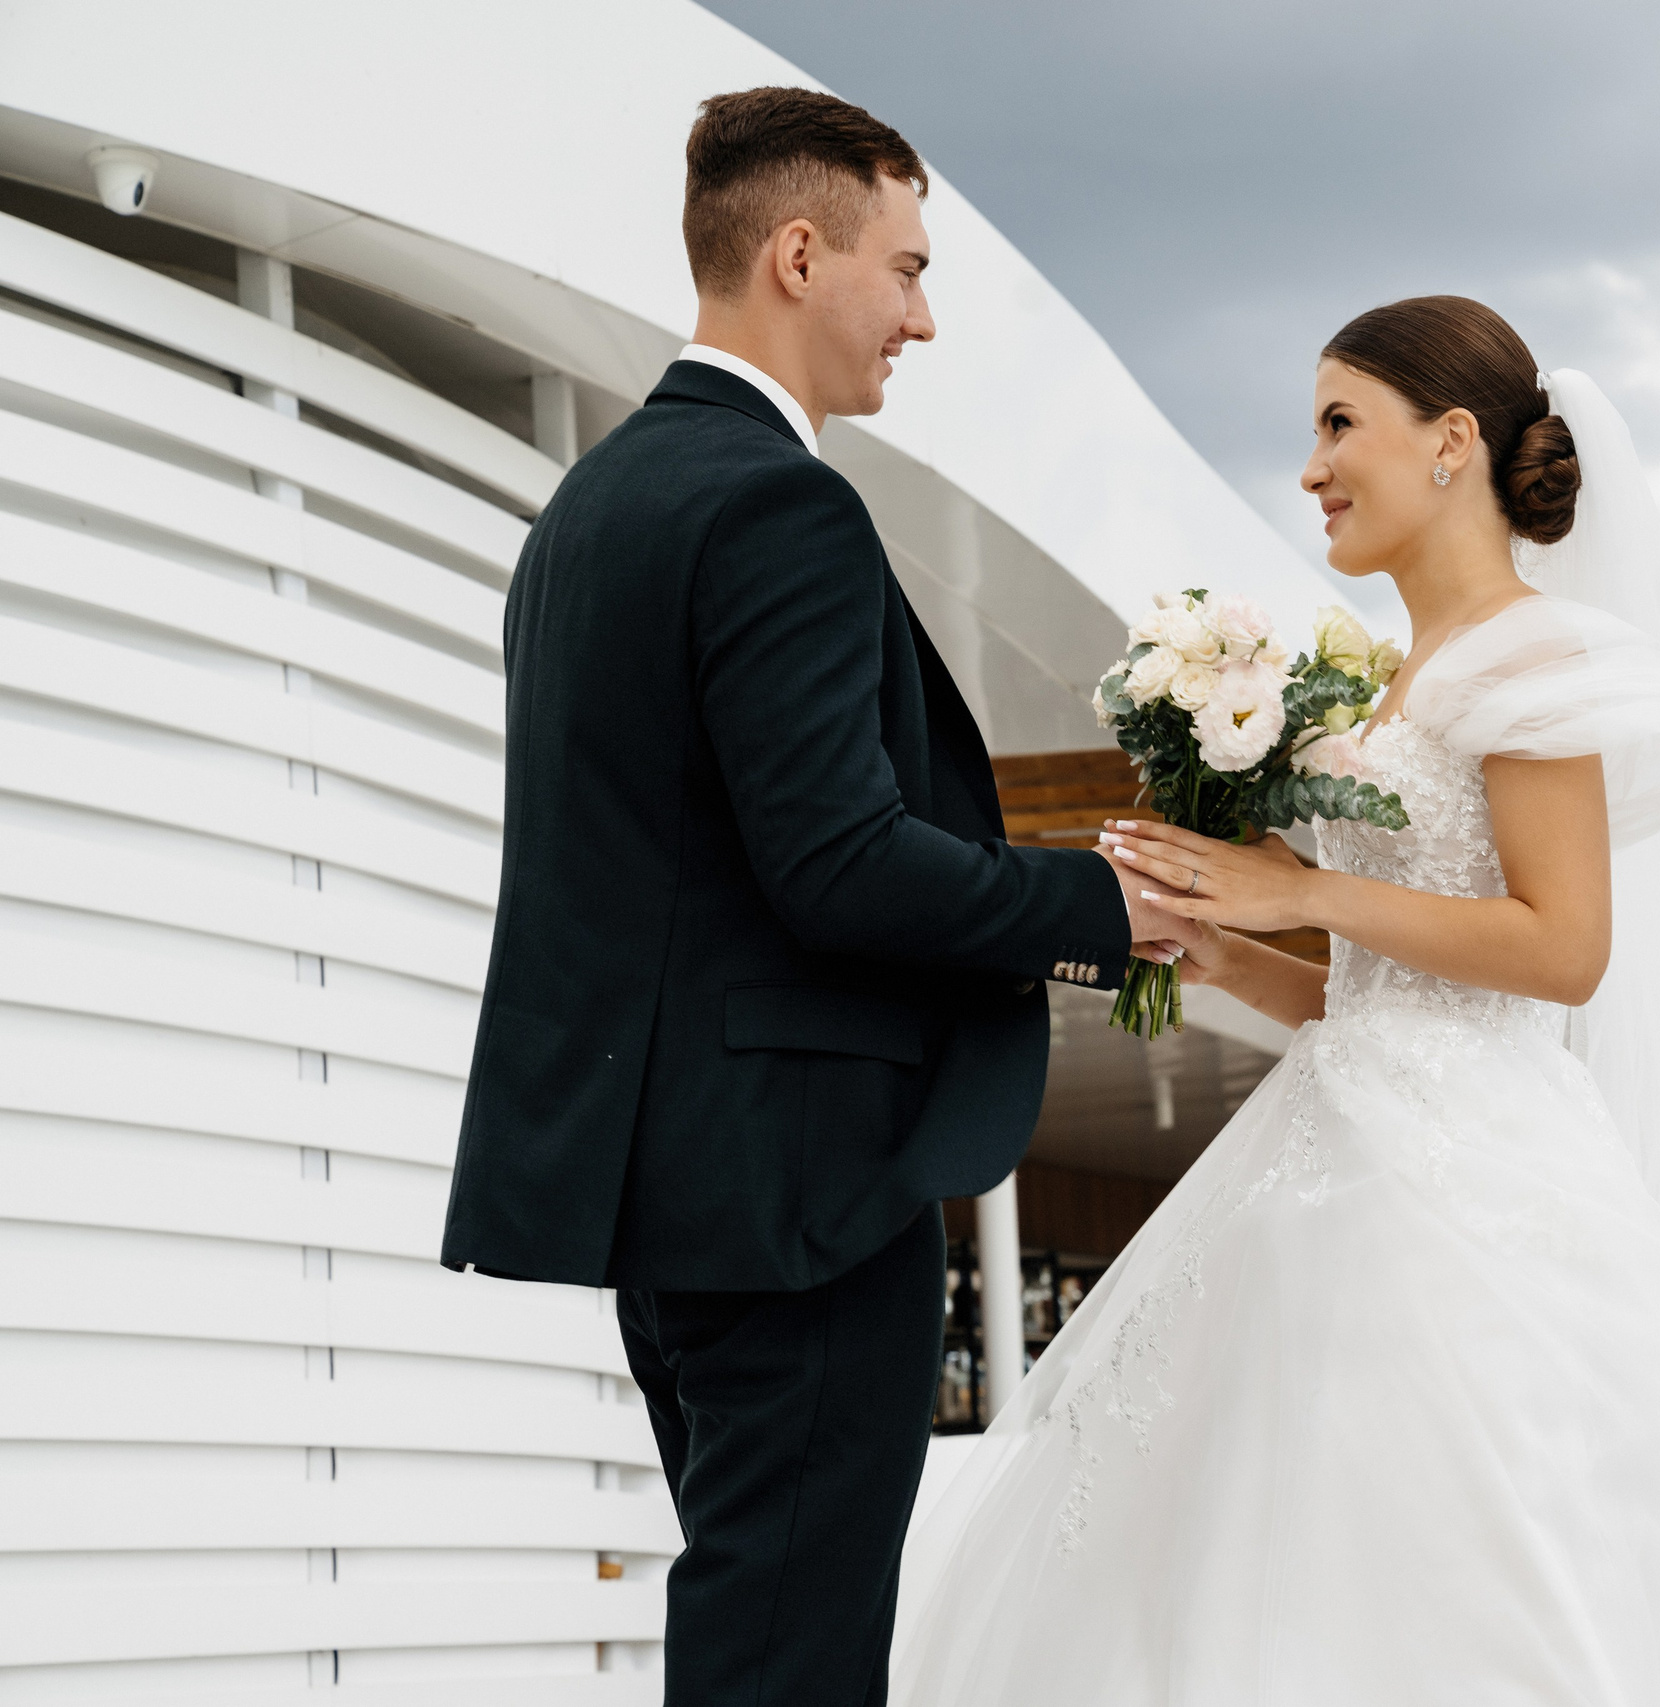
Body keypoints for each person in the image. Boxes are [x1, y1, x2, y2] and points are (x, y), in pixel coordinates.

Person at [892, 297, 1660, 1703]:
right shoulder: (1390, 689)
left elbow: (1562, 949)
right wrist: (1222, 941)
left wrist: (1306, 893)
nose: (1311, 470)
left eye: (1340, 425)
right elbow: (1377, 996)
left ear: (1452, 444)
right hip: (1336, 1144)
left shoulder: (1532, 664)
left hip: (1480, 1192)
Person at [438, 87, 1176, 1705]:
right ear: (795, 254)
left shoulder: (590, 512)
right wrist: (1108, 907)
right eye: (904, 269)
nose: (922, 316)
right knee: (789, 1662)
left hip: (674, 1204)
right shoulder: (776, 503)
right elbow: (837, 864)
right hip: (796, 1199)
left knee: (757, 1633)